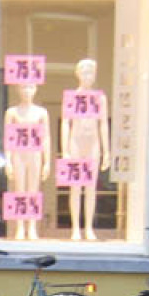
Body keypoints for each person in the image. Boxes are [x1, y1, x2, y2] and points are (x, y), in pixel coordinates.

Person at [60, 58, 110, 242]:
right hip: (75, 141)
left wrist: (107, 151)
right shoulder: (72, 97)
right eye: (85, 72)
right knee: (75, 188)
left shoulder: (100, 98)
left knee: (90, 188)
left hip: (93, 142)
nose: (88, 76)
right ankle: (75, 228)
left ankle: (88, 227)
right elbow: (65, 122)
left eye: (91, 73)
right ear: (78, 74)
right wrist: (64, 149)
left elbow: (103, 123)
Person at [2, 84, 51, 241]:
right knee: (19, 191)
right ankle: (20, 227)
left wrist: (47, 161)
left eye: (30, 87)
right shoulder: (12, 112)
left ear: (35, 89)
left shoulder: (41, 112)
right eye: (23, 87)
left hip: (35, 153)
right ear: (18, 90)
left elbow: (46, 137)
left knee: (33, 191)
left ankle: (32, 227)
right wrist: (8, 160)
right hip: (18, 152)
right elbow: (8, 137)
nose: (27, 91)